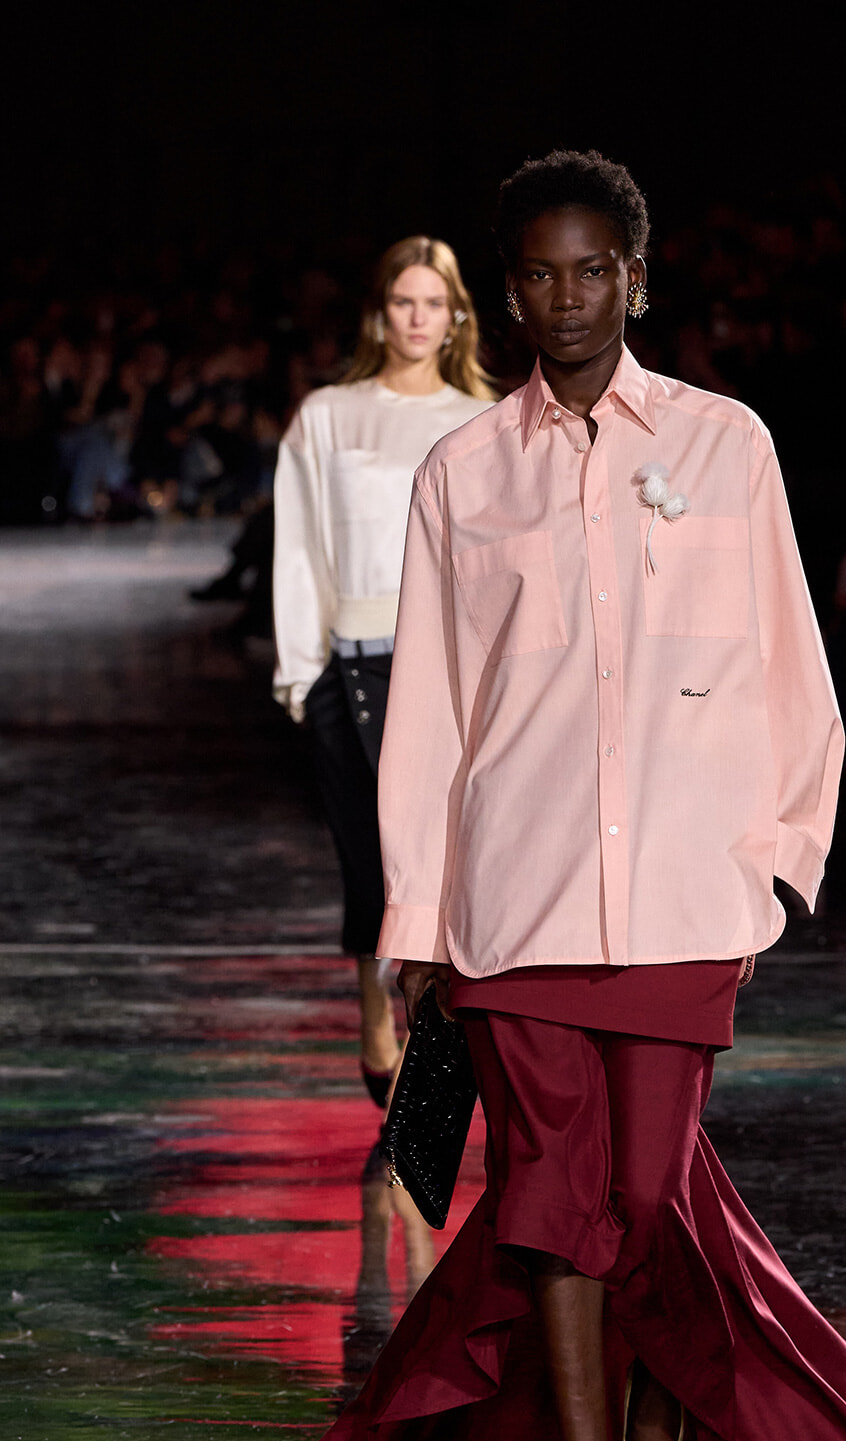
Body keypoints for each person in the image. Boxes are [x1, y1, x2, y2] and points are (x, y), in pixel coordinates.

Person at [299, 152, 846, 1441]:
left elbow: (788, 661)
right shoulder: (462, 473)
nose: (564, 299)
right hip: (517, 899)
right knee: (553, 1211)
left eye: (591, 271)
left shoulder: (726, 443)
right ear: (509, 294)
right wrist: (415, 928)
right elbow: (430, 717)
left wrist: (776, 864)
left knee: (646, 1201)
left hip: (686, 897)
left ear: (636, 278)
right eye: (537, 275)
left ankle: (651, 1416)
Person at [272, 237, 494, 1103]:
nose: (417, 318)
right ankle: (376, 1004)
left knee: (450, 861)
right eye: (404, 301)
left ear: (457, 317)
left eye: (434, 303)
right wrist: (301, 674)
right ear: (379, 313)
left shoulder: (487, 418)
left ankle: (440, 1033)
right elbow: (299, 546)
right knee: (370, 858)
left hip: (455, 673)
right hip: (354, 663)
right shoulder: (329, 415)